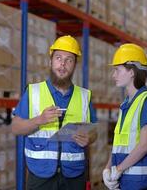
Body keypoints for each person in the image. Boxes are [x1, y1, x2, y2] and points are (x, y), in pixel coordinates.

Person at [12, 35, 98, 190]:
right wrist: (39, 120)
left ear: (74, 65)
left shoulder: (85, 96)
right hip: (40, 175)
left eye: (69, 60)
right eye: (58, 58)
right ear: (50, 62)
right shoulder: (33, 92)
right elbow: (16, 127)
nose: (63, 64)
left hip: (74, 176)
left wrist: (89, 138)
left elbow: (93, 132)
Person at [102, 44, 147, 190]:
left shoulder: (146, 101)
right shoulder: (127, 103)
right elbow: (120, 145)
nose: (113, 75)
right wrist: (108, 168)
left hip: (142, 183)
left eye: (117, 70)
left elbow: (144, 146)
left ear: (132, 72)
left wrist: (119, 169)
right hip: (128, 182)